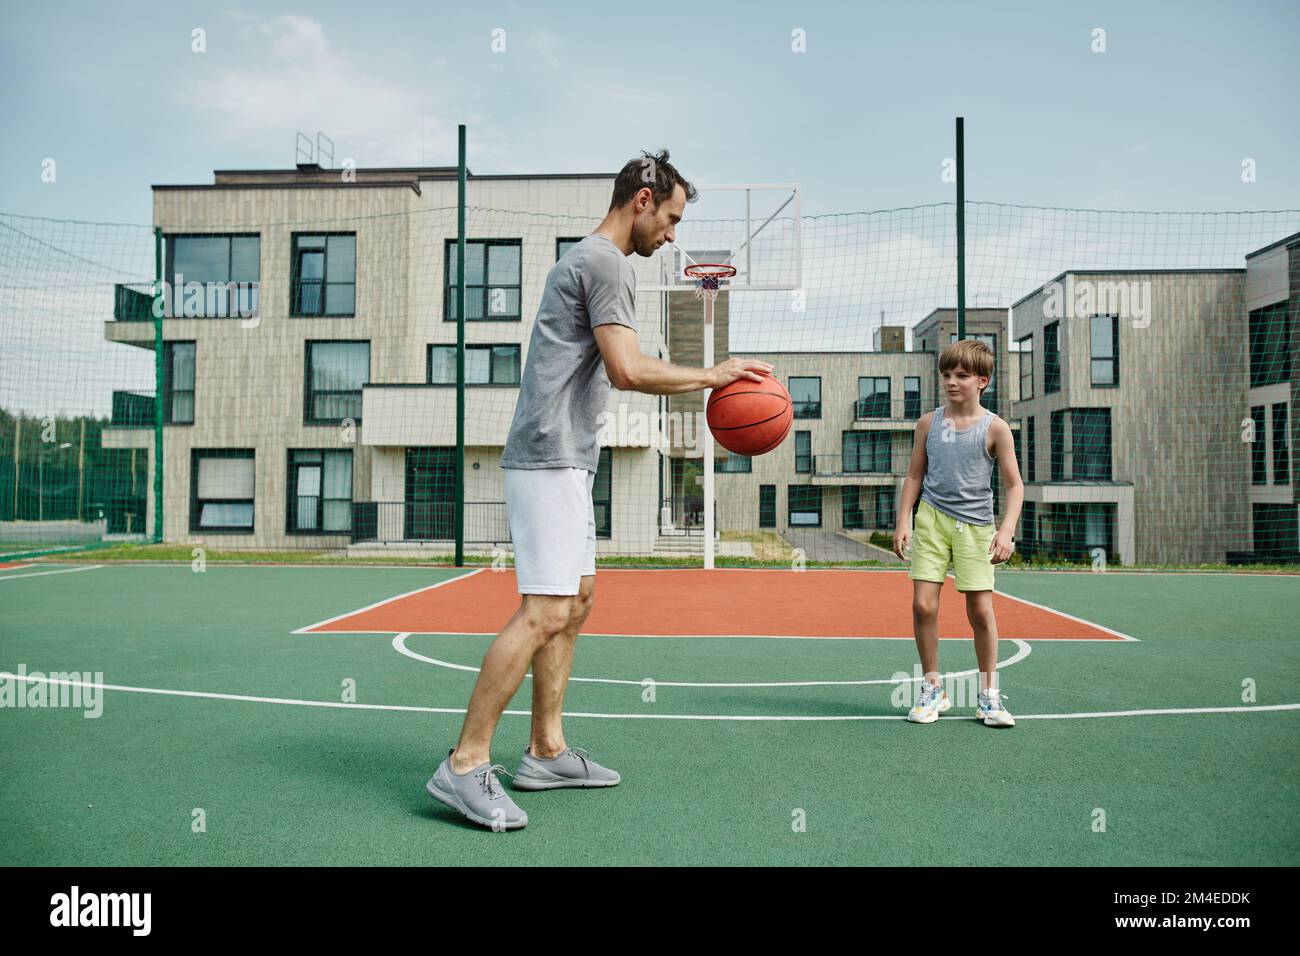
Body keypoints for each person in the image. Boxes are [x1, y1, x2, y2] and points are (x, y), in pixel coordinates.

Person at [426, 149, 774, 829]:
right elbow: (625, 368)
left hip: (567, 458)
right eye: (671, 219)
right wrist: (715, 374)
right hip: (548, 458)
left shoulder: (591, 262)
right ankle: (464, 764)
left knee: (576, 599)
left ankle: (545, 751)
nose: (673, 235)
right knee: (544, 611)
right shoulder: (605, 262)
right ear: (641, 201)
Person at [893, 339, 1023, 728]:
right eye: (946, 374)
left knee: (980, 611)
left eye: (962, 376)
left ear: (982, 380)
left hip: (976, 528)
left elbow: (1015, 486)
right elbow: (915, 474)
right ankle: (933, 689)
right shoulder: (929, 423)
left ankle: (988, 697)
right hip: (932, 520)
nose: (951, 382)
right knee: (923, 606)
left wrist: (1006, 531)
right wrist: (903, 520)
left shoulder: (995, 428)